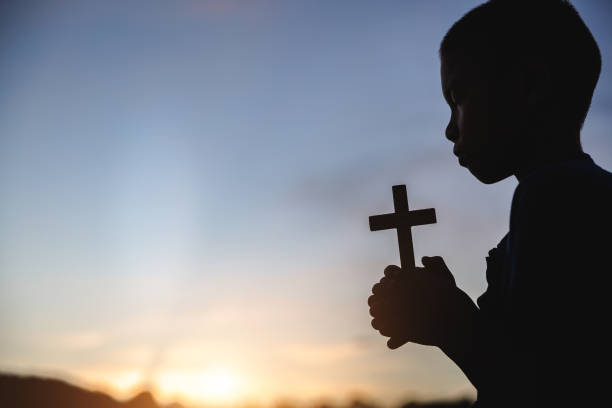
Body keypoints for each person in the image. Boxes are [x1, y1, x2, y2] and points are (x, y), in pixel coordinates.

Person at [367, 1, 612, 406]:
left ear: (528, 85)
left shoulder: (553, 197)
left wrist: (449, 322)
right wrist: (444, 311)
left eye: (458, 97)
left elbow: (551, 387)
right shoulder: (573, 197)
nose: (449, 129)